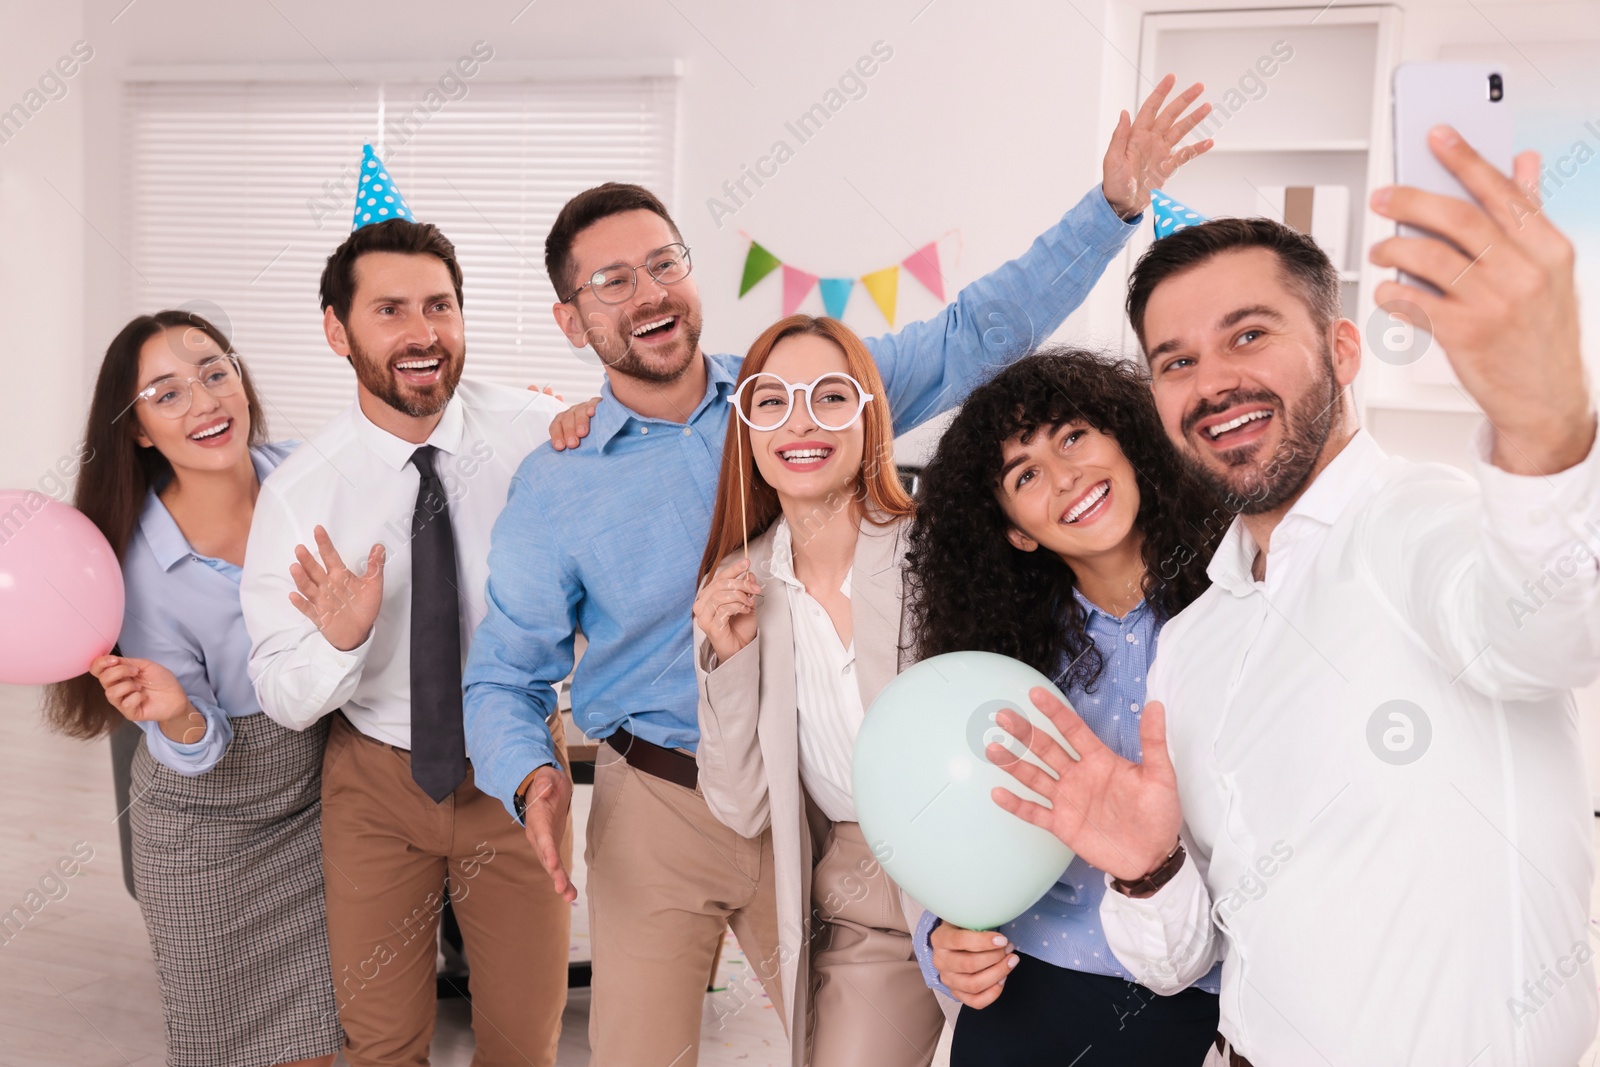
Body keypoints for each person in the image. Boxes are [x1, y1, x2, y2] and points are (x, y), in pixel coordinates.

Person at [463, 75, 1215, 1066]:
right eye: (612, 282)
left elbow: (979, 331)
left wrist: (1110, 207)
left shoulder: (804, 386)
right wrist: (530, 777)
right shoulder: (558, 478)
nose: (646, 292)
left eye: (663, 263)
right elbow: (503, 673)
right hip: (664, 799)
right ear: (572, 321)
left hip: (839, 809)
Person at [979, 128, 1600, 1065]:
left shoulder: (1420, 521)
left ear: (1343, 349)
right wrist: (1147, 868)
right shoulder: (1194, 644)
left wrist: (1547, 428)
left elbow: (1549, 629)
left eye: (1250, 334)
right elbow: (1179, 960)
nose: (1214, 380)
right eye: (1175, 360)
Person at [238, 209, 571, 1066]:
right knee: (380, 1043)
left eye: (440, 306)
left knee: (523, 1042)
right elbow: (279, 688)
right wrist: (343, 641)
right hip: (377, 784)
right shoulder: (300, 495)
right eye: (390, 310)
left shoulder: (541, 438)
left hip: (517, 776)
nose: (423, 333)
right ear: (335, 330)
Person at [899, 349, 1226, 1065]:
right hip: (1029, 990)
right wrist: (946, 939)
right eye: (1025, 474)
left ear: (1127, 437)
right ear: (1016, 528)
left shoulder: (1237, 612)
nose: (1064, 476)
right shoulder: (996, 662)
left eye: (1072, 436)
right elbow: (953, 824)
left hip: (1202, 1001)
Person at [42, 310, 340, 1067]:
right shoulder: (133, 567)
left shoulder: (311, 477)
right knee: (222, 1047)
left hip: (318, 807)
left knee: (319, 1039)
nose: (205, 401)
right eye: (166, 394)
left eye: (215, 372)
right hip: (204, 832)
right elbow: (198, 744)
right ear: (138, 429)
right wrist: (174, 712)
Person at [690, 315, 942, 1067]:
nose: (800, 421)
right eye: (772, 401)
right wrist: (728, 662)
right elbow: (743, 806)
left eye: (830, 397)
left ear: (869, 416)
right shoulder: (737, 587)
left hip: (993, 878)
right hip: (868, 909)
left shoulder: (937, 548)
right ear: (748, 430)